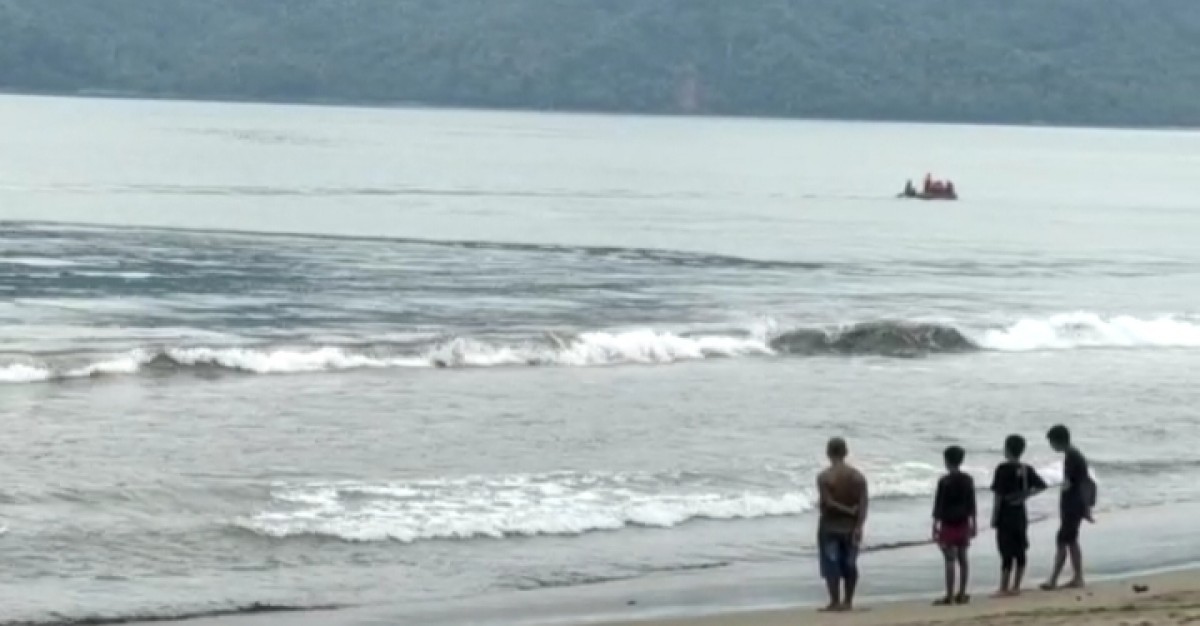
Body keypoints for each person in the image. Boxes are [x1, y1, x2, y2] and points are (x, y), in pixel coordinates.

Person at [990, 435, 1048, 597]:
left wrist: (994, 517)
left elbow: (998, 496)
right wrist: (1026, 495)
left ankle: (1004, 587)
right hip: (1020, 513)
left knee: (1006, 551)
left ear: (1007, 449)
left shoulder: (1002, 469)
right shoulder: (1026, 468)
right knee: (1020, 548)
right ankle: (1016, 586)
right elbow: (1042, 486)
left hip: (1005, 513)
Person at [816, 437, 869, 612]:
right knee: (850, 564)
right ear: (846, 452)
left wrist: (847, 510)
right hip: (851, 527)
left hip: (830, 526)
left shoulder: (824, 477)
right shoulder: (858, 477)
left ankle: (835, 601)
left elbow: (828, 503)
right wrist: (859, 525)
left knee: (831, 564)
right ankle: (848, 601)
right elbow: (863, 504)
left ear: (828, 453)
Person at [1042, 424, 1093, 590]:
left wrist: (1053, 485)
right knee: (1071, 540)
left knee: (1062, 539)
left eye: (1051, 443)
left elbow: (1069, 484)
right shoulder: (1074, 454)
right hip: (1076, 504)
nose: (1051, 446)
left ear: (1058, 441)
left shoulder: (1071, 456)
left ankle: (1053, 580)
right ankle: (1077, 577)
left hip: (1072, 504)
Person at [932, 445, 976, 606]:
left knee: (949, 559)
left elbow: (939, 505)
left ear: (946, 461)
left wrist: (935, 524)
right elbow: (972, 504)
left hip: (947, 523)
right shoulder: (968, 480)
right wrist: (974, 523)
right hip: (963, 521)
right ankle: (962, 593)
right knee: (963, 558)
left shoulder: (944, 481)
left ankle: (949, 595)